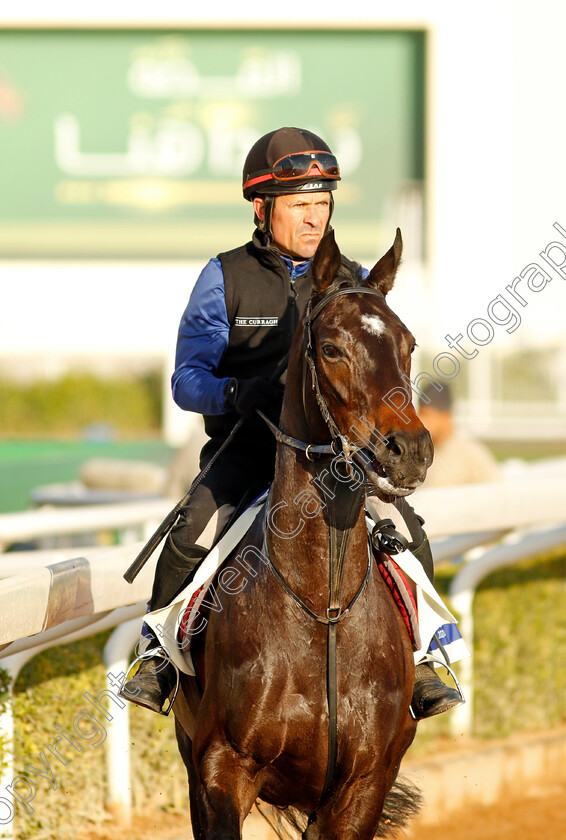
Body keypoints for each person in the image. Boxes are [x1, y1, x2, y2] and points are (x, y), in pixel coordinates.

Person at [120, 126, 462, 720]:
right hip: (246, 452)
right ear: (262, 207)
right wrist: (237, 390)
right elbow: (185, 380)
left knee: (408, 531)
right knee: (192, 529)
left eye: (322, 204)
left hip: (337, 461)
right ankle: (155, 657)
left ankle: (429, 659)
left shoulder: (353, 279)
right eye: (300, 205)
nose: (314, 218)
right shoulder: (222, 277)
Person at [418, 383, 500, 487]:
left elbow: (496, 494)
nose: (421, 421)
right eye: (420, 414)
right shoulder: (417, 456)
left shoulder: (471, 454)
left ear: (446, 416)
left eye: (427, 415)